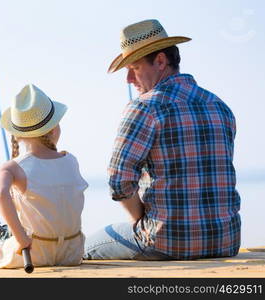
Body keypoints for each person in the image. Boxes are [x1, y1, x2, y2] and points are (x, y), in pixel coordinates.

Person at [84, 19, 241, 260]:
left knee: (83, 249)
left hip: (165, 243)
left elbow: (118, 181)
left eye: (133, 68)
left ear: (160, 61)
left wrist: (140, 223)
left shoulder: (145, 107)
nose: (128, 79)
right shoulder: (220, 106)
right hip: (225, 242)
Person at [0, 83, 88, 268]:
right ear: (54, 129)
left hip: (35, 253)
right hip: (72, 252)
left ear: (16, 135)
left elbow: (1, 194)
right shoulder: (71, 160)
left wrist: (21, 239)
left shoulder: (12, 167)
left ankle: (15, 237)